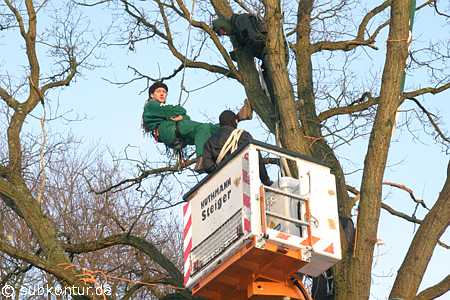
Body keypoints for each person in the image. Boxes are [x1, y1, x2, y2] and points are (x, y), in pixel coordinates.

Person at [142, 82, 252, 170]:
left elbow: (185, 118)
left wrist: (182, 117)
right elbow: (181, 110)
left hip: (177, 133)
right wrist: (180, 113)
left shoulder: (162, 109)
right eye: (158, 91)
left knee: (209, 129)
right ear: (152, 95)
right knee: (202, 128)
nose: (162, 93)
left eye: (164, 92)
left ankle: (237, 118)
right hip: (167, 130)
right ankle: (202, 160)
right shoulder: (151, 105)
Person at [200, 110, 272, 186]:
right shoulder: (242, 135)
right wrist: (266, 181)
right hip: (241, 180)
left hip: (223, 186)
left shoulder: (209, 142)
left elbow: (208, 166)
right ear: (234, 121)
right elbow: (256, 157)